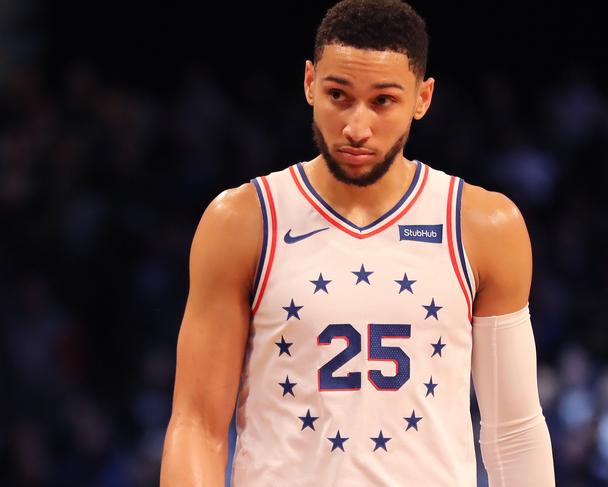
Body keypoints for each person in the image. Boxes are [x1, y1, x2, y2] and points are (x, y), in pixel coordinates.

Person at [160, 0, 556, 485]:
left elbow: (513, 432)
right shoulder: (243, 220)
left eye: (383, 100)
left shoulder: (484, 225)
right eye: (338, 95)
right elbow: (197, 424)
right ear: (310, 83)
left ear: (422, 98)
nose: (356, 127)